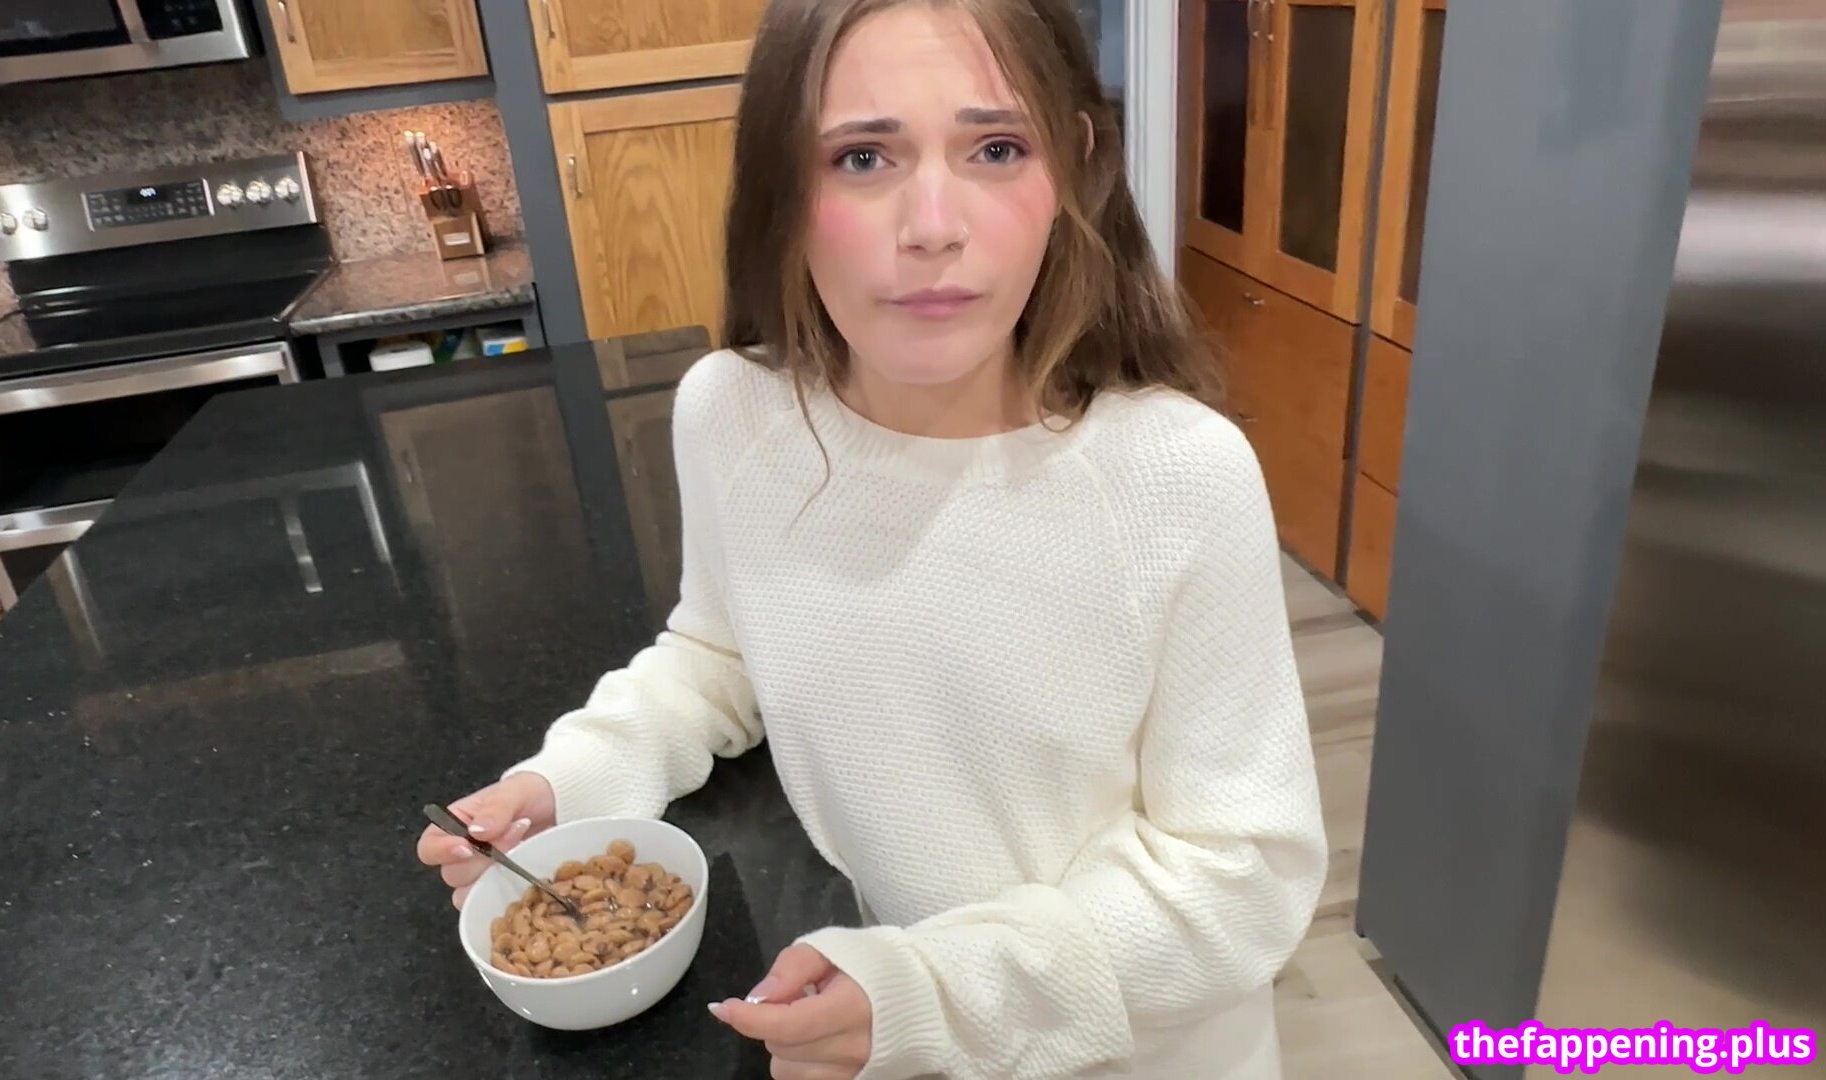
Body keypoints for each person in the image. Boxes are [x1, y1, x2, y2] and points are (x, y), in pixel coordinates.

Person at [415, 0, 1327, 1076]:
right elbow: (723, 650)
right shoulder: (734, 416)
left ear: (1076, 168)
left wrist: (941, 992)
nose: (933, 224)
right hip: (898, 1010)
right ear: (782, 190)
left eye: (997, 148)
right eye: (861, 157)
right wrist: (577, 776)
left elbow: (1241, 876)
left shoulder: (1179, 478)